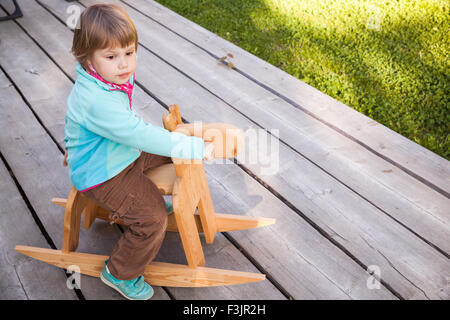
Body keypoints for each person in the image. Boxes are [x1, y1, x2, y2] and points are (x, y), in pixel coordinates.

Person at [63, 4, 214, 300]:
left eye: (129, 53)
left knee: (169, 150)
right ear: (87, 58)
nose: (123, 65)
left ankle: (146, 199)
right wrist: (193, 146)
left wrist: (71, 142)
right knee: (151, 220)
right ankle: (119, 272)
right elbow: (137, 133)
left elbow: (82, 121)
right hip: (103, 173)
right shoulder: (97, 100)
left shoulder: (103, 76)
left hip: (119, 151)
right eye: (111, 56)